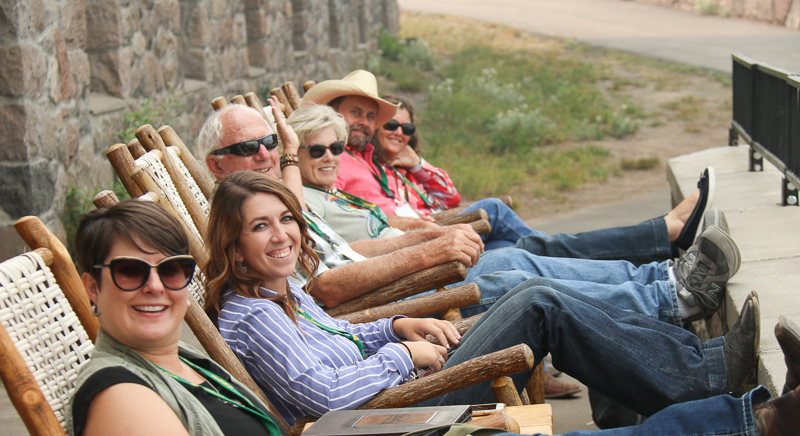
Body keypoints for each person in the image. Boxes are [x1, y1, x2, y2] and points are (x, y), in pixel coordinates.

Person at [65, 198, 800, 436]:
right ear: (93, 284)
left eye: (171, 269)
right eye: (130, 273)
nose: (156, 286)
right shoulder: (120, 393)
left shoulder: (190, 361)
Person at [205, 171, 760, 424]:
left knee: (535, 292)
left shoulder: (285, 292)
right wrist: (402, 357)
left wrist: (396, 328)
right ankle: (700, 375)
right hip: (393, 417)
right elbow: (322, 398)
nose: (281, 235)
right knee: (536, 301)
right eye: (260, 227)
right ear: (233, 246)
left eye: (286, 220)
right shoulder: (252, 315)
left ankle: (685, 372)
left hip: (401, 387)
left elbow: (341, 337)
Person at [277, 103, 736, 329]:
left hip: (426, 263)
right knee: (522, 271)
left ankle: (664, 280)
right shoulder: (293, 205)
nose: (334, 154)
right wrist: (424, 247)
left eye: (338, 146)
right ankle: (666, 290)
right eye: (316, 149)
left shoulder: (329, 190)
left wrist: (418, 228)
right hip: (405, 295)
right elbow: (326, 281)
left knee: (525, 258)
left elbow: (425, 202)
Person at [301, 69, 714, 262]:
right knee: (516, 237)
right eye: (358, 114)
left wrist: (417, 162)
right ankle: (660, 242)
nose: (370, 125)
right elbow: (377, 226)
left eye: (372, 118)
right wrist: (428, 228)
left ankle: (658, 243)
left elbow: (449, 195)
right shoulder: (331, 171)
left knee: (523, 249)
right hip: (422, 244)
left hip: (432, 232)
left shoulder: (373, 160)